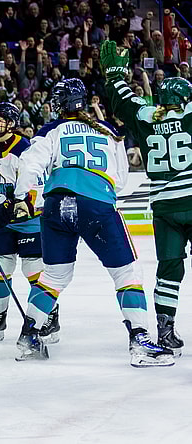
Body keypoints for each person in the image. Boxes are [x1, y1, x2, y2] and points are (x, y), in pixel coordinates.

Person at [13, 78, 174, 367]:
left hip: (55, 205)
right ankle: (139, 340)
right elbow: (121, 181)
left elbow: (29, 165)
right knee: (126, 273)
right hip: (96, 203)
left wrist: (23, 197)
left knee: (54, 277)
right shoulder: (109, 131)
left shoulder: (50, 130)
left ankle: (29, 337)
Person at [100, 40, 192, 356]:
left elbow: (123, 101)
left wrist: (114, 75)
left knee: (169, 269)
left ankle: (165, 330)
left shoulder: (146, 115)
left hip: (164, 207)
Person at [0, 102, 53, 344]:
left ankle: (49, 317)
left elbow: (35, 190)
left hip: (28, 221)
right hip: (1, 222)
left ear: (12, 124)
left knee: (32, 270)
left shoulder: (25, 149)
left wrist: (12, 208)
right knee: (1, 269)